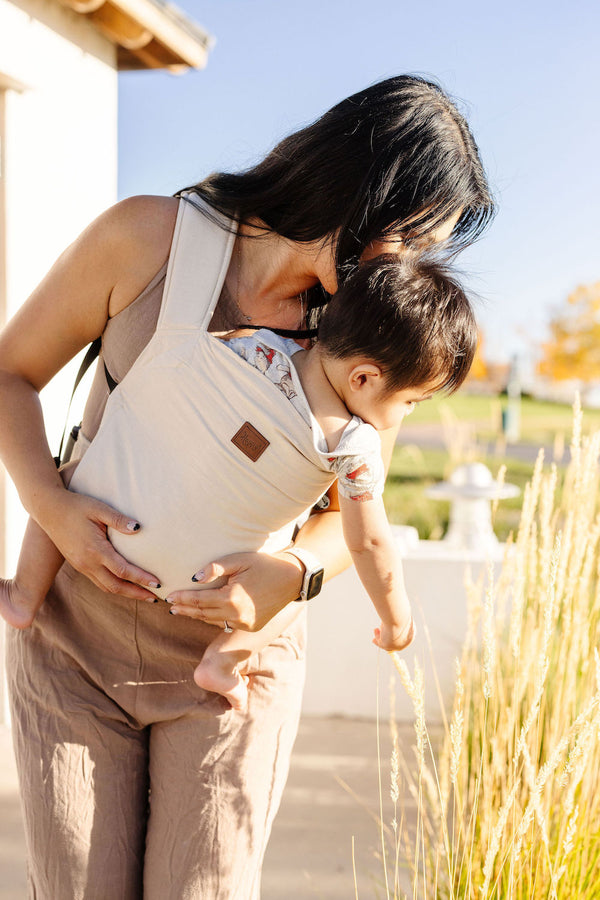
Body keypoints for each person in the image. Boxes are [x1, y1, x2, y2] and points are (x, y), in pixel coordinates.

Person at [0, 74, 494, 898]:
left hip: (232, 673)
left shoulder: (371, 344)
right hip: (73, 653)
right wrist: (51, 508)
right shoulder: (148, 239)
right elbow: (11, 374)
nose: (410, 270)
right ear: (362, 195)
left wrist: (290, 577)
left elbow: (354, 518)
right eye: (411, 239)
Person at [0, 254, 477, 712]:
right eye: (412, 401)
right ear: (364, 378)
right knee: (296, 589)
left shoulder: (253, 347)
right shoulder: (353, 447)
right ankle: (223, 659)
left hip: (108, 528)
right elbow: (369, 542)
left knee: (66, 482)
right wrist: (397, 619)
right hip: (204, 583)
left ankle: (23, 597)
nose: (406, 415)